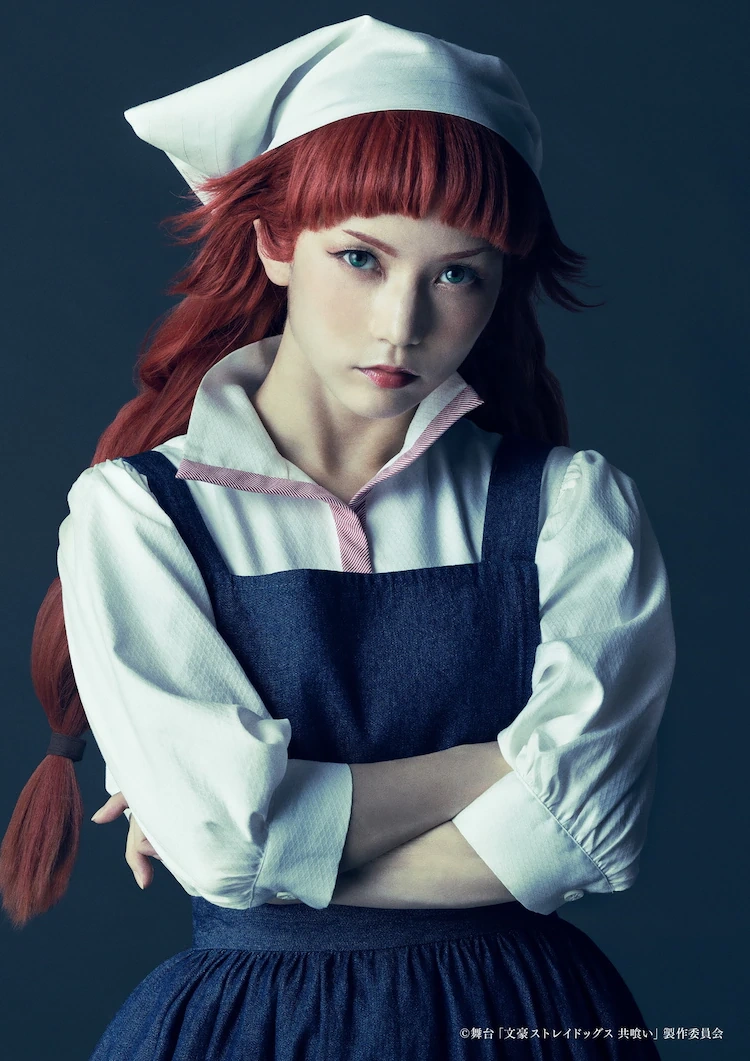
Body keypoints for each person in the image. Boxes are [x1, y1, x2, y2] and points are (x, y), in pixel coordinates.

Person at [0, 15, 675, 1060]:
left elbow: (589, 827)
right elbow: (224, 843)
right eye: (360, 257)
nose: (401, 322)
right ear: (275, 243)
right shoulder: (137, 514)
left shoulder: (572, 506)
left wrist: (272, 847)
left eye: (458, 274)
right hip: (248, 1026)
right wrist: (500, 762)